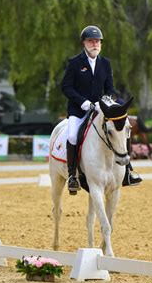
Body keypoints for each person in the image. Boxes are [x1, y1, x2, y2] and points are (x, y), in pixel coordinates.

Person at [61, 25, 142, 194]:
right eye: (91, 41)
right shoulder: (75, 63)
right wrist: (83, 102)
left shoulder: (105, 63)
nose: (94, 44)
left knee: (124, 127)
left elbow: (111, 89)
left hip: (100, 109)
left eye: (97, 41)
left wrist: (105, 100)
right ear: (84, 43)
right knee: (72, 135)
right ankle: (72, 176)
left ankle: (128, 171)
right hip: (79, 110)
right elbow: (66, 87)